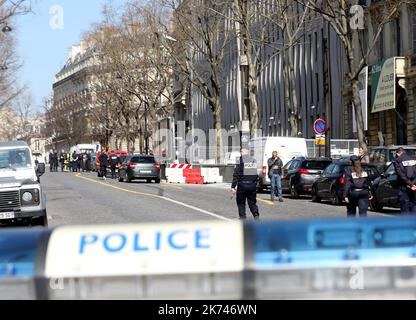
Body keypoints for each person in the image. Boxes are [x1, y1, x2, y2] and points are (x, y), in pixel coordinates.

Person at [231, 147, 260, 220]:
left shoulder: (239, 160)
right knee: (252, 202)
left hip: (242, 185)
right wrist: (255, 183)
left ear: (241, 152)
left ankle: (243, 218)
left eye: (241, 152)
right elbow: (255, 173)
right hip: (252, 185)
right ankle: (256, 215)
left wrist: (233, 187)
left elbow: (236, 174)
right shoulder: (253, 160)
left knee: (241, 203)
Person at [394, 147, 416, 215]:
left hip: (403, 186)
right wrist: (413, 184)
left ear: (397, 154)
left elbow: (401, 175)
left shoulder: (398, 160)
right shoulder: (414, 159)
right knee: (413, 204)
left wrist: (410, 184)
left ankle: (406, 223)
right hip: (414, 186)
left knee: (404, 206)